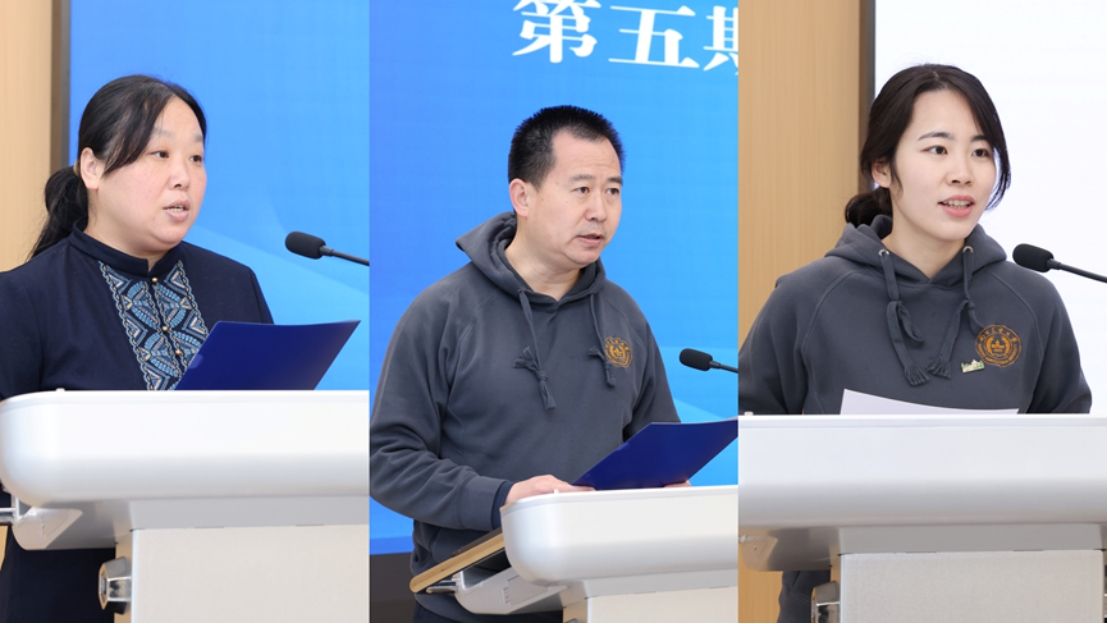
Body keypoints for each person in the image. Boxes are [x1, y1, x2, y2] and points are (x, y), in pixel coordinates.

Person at [737, 64, 1091, 622]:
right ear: (882, 166)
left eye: (980, 152)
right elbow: (745, 448)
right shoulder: (807, 299)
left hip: (1004, 602)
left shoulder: (1032, 301)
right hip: (841, 602)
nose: (963, 173)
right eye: (937, 150)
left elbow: (1072, 464)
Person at [370, 105, 680, 622]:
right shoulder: (443, 312)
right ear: (523, 197)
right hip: (472, 603)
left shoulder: (624, 314)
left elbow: (658, 444)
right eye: (581, 189)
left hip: (599, 596)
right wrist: (504, 499)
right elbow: (387, 460)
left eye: (612, 191)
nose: (600, 211)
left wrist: (669, 486)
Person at [0, 75, 272, 622]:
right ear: (93, 168)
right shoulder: (26, 297)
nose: (183, 177)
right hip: (71, 602)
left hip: (218, 592)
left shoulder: (234, 284)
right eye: (159, 154)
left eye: (196, 158)